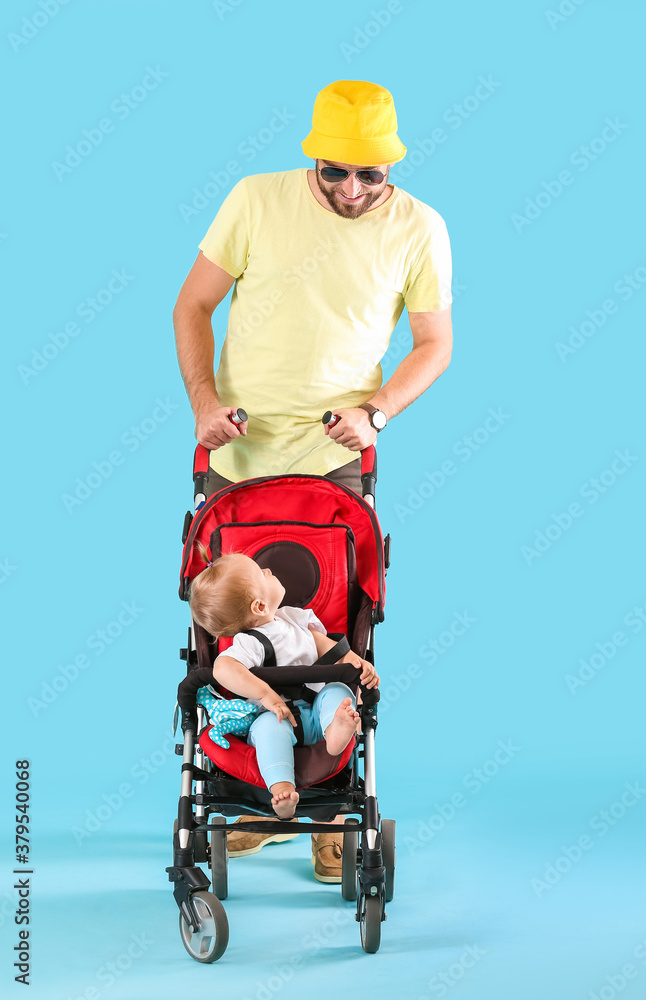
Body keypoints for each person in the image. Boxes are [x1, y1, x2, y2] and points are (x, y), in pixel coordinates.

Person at [174, 77, 453, 872]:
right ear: (314, 159)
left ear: (392, 166)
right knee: (230, 636)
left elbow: (434, 343)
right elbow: (190, 306)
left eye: (372, 174)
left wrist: (376, 412)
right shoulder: (254, 200)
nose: (354, 189)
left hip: (335, 467)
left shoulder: (419, 227)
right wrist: (203, 403)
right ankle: (260, 793)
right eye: (336, 171)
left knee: (333, 626)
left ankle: (332, 813)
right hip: (237, 462)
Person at [189, 552, 379, 876]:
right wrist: (265, 692)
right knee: (267, 727)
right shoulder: (249, 643)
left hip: (318, 710)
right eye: (262, 574)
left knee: (339, 693)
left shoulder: (296, 618)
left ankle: (337, 730)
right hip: (278, 716)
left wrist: (360, 666)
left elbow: (331, 651)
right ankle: (281, 790)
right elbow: (223, 667)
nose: (268, 570)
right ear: (260, 607)